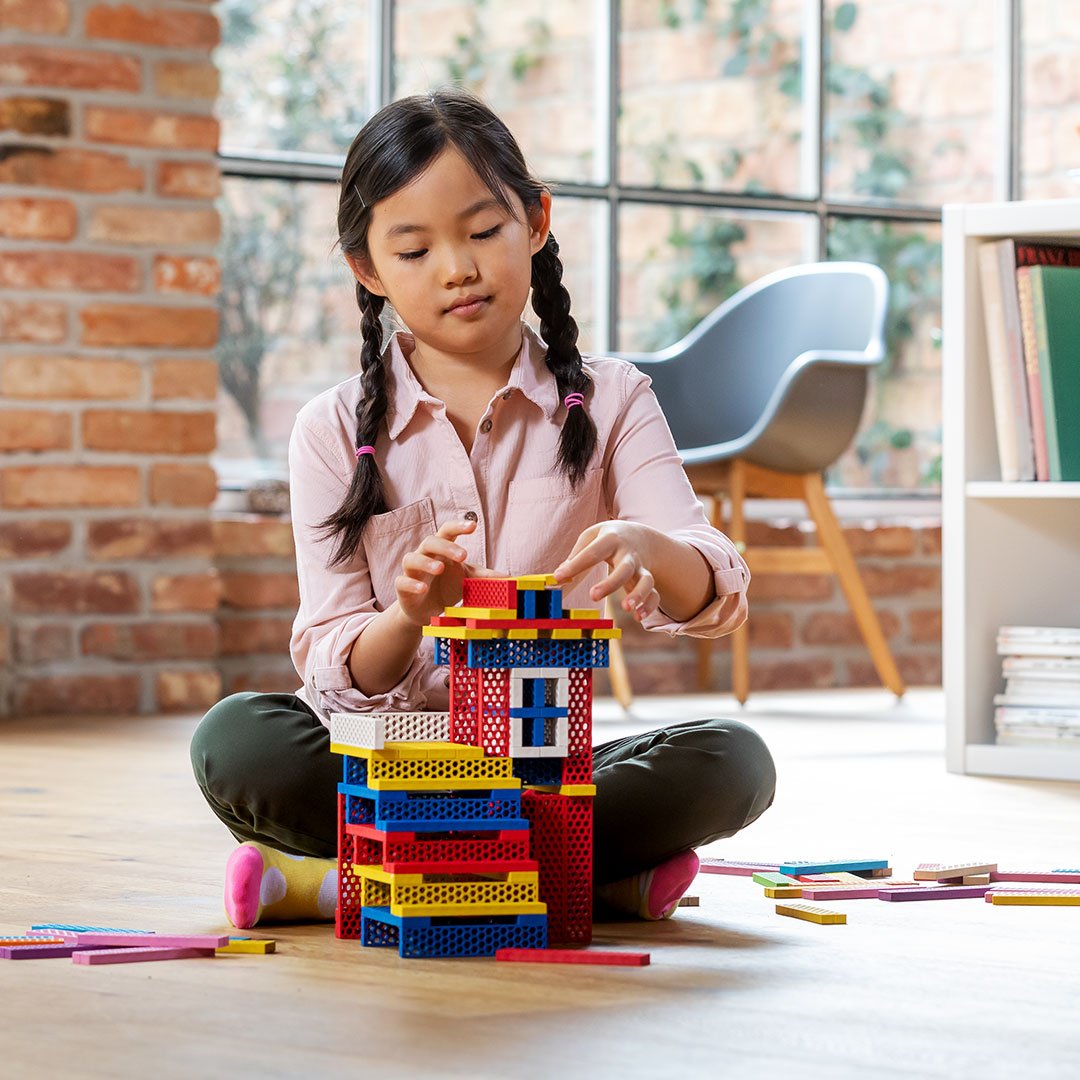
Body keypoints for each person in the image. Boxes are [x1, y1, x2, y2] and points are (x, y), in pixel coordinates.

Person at [190, 88, 776, 930]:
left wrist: (651, 545)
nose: (457, 267)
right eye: (415, 248)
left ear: (535, 223)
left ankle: (345, 881)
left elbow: (709, 586)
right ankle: (577, 878)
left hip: (539, 767)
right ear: (369, 269)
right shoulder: (329, 430)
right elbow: (334, 659)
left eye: (482, 231)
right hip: (384, 758)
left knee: (733, 761)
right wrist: (406, 613)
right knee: (238, 741)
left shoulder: (612, 399)